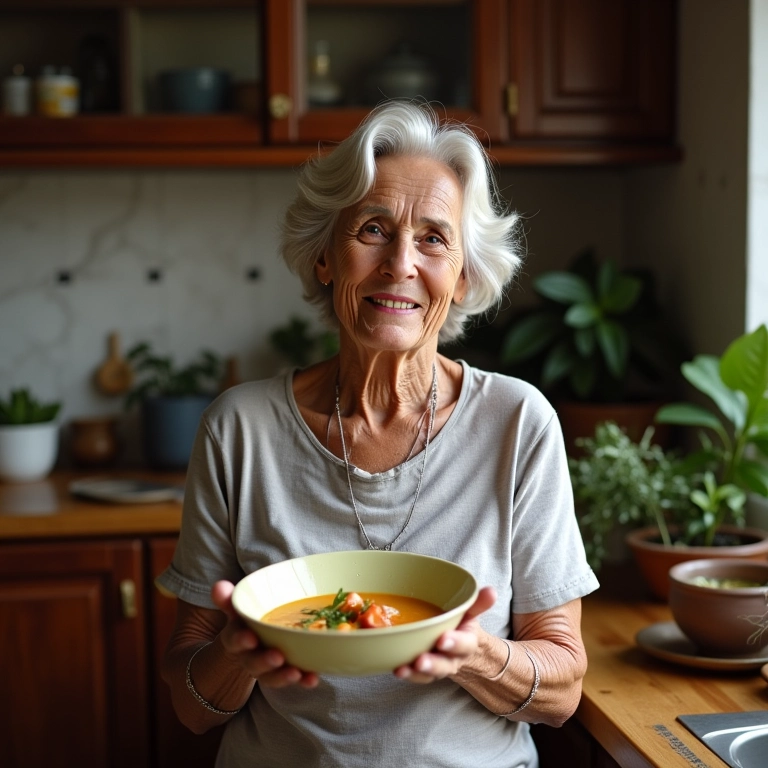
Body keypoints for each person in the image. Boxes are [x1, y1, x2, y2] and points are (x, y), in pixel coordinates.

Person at [157, 100, 599, 768]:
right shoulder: (239, 430)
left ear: (463, 275)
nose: (400, 264)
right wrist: (234, 656)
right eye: (372, 228)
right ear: (326, 258)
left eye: (433, 238)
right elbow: (191, 708)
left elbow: (562, 688)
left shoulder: (518, 423)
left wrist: (474, 654)